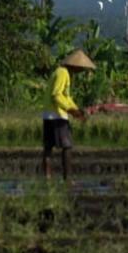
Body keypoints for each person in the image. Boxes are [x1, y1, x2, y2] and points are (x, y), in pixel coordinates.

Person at [42, 49, 96, 180]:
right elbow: (57, 95)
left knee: (48, 148)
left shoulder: (59, 72)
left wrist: (77, 110)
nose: (81, 71)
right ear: (75, 66)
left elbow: (67, 97)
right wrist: (71, 111)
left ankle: (47, 179)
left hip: (48, 114)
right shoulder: (63, 73)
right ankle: (68, 178)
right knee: (67, 146)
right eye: (81, 68)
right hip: (57, 115)